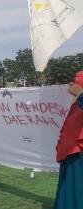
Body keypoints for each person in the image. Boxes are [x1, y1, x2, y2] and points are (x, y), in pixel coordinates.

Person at [54, 71, 83, 209]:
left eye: (76, 81)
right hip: (71, 152)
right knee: (69, 188)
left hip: (78, 152)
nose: (72, 84)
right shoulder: (77, 104)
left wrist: (80, 93)